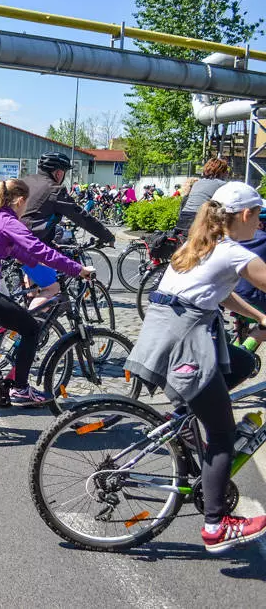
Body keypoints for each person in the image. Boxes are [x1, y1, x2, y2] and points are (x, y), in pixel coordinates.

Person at [125, 182, 266, 553]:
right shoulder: (233, 251)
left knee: (243, 361)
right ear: (246, 215)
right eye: (259, 217)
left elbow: (222, 292)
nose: (261, 225)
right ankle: (216, 526)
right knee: (221, 435)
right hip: (187, 345)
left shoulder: (200, 245)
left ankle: (186, 422)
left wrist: (258, 315)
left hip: (171, 336)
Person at [0, 179, 93, 405]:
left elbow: (20, 252)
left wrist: (45, 267)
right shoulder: (7, 220)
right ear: (20, 200)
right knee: (31, 329)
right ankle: (21, 390)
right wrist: (77, 269)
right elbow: (38, 248)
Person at [19, 152, 115, 309]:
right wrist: (107, 236)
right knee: (53, 289)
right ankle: (25, 329)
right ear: (58, 173)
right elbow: (81, 216)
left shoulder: (26, 181)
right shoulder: (54, 189)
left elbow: (35, 217)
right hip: (28, 246)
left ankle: (34, 312)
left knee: (34, 286)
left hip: (16, 241)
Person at [176, 158, 230, 233]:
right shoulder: (221, 184)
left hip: (183, 219)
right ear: (221, 172)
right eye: (226, 171)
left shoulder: (197, 183)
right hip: (200, 219)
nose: (227, 173)